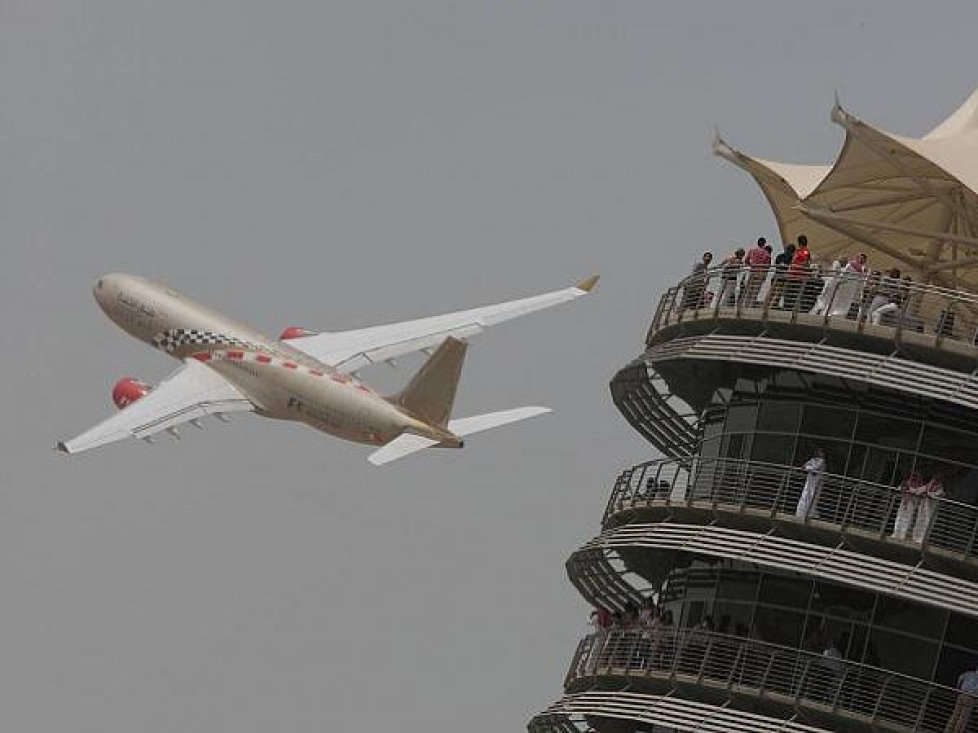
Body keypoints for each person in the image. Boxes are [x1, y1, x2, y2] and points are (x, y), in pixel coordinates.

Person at [828, 253, 868, 317]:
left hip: (852, 287)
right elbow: (844, 273)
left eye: (863, 259)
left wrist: (859, 290)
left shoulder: (863, 269)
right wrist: (840, 281)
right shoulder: (851, 264)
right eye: (860, 258)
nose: (861, 259)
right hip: (845, 284)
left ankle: (840, 315)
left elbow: (862, 281)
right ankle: (832, 313)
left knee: (847, 302)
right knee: (839, 299)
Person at [892, 469, 927, 541]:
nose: (914, 478)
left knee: (907, 519)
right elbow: (899, 488)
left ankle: (902, 535)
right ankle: (896, 533)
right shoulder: (906, 482)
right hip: (904, 501)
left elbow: (918, 491)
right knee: (899, 517)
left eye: (916, 476)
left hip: (912, 502)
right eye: (913, 476)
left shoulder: (920, 484)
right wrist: (904, 489)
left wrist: (910, 490)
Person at [913, 471, 945, 544]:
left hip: (931, 508)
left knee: (927, 523)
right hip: (923, 506)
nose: (934, 480)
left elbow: (937, 494)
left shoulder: (940, 488)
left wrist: (928, 494)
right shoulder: (928, 486)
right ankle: (915, 537)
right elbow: (919, 490)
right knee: (919, 521)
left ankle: (922, 539)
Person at [796, 448, 826, 519]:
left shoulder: (822, 461)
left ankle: (809, 512)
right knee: (806, 495)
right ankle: (801, 511)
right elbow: (804, 466)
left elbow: (815, 468)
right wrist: (808, 468)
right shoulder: (813, 460)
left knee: (813, 496)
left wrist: (808, 468)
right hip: (810, 481)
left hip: (817, 482)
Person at [741, 237, 771, 307]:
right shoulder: (767, 254)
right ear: (764, 244)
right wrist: (764, 276)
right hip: (760, 273)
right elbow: (767, 267)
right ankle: (750, 307)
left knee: (748, 290)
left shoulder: (752, 251)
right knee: (755, 291)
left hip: (752, 272)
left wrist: (751, 265)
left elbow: (746, 261)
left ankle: (745, 306)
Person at [783, 235, 812, 311]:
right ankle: (788, 308)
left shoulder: (805, 251)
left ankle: (793, 309)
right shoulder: (797, 251)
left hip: (799, 276)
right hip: (792, 275)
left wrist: (797, 265)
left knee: (795, 293)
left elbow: (805, 261)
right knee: (789, 293)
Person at [946, 665, 978, 733]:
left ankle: (948, 731)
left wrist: (958, 689)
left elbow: (960, 678)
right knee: (963, 718)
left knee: (955, 715)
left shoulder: (969, 673)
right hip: (970, 697)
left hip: (962, 694)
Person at [765, 243, 796, 309]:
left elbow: (776, 264)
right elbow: (790, 267)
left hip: (775, 275)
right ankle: (771, 307)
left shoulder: (779, 256)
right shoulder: (791, 258)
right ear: (792, 251)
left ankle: (765, 305)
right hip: (783, 277)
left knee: (771, 291)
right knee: (778, 293)